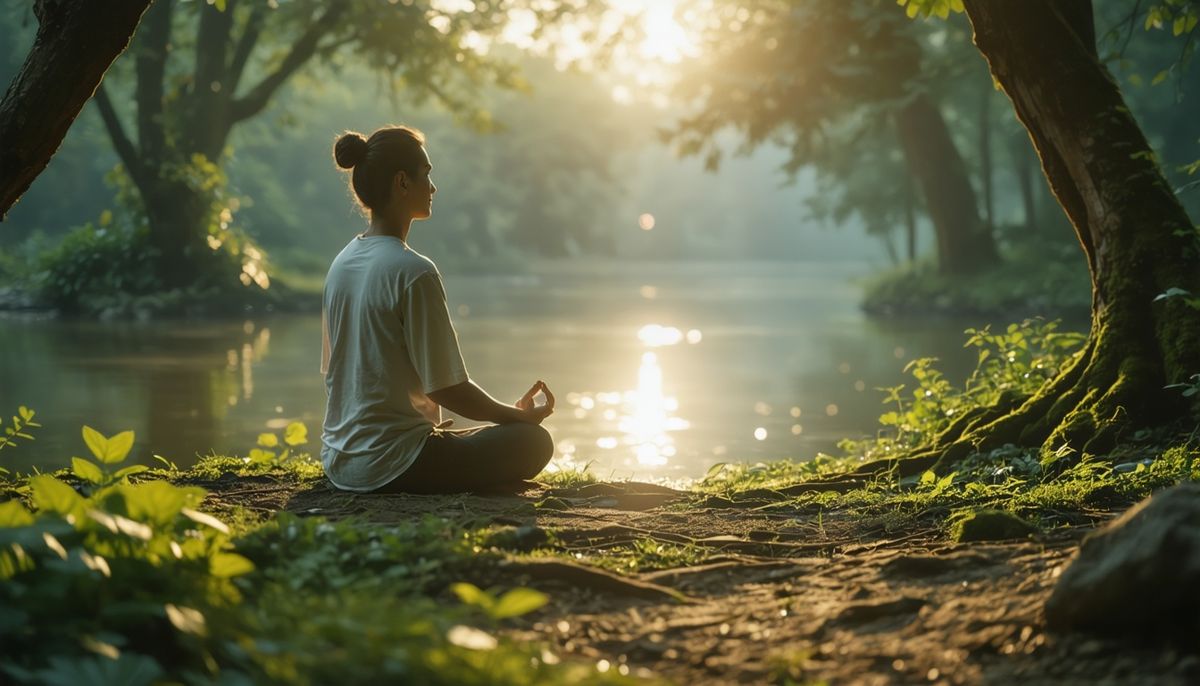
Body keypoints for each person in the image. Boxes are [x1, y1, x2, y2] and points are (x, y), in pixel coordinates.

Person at [320, 125, 556, 494]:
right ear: (402, 182)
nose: (433, 187)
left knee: (497, 432)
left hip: (339, 460)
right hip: (393, 466)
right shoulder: (413, 271)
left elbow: (333, 372)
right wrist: (518, 417)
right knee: (533, 442)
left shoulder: (342, 263)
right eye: (426, 175)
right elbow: (448, 389)